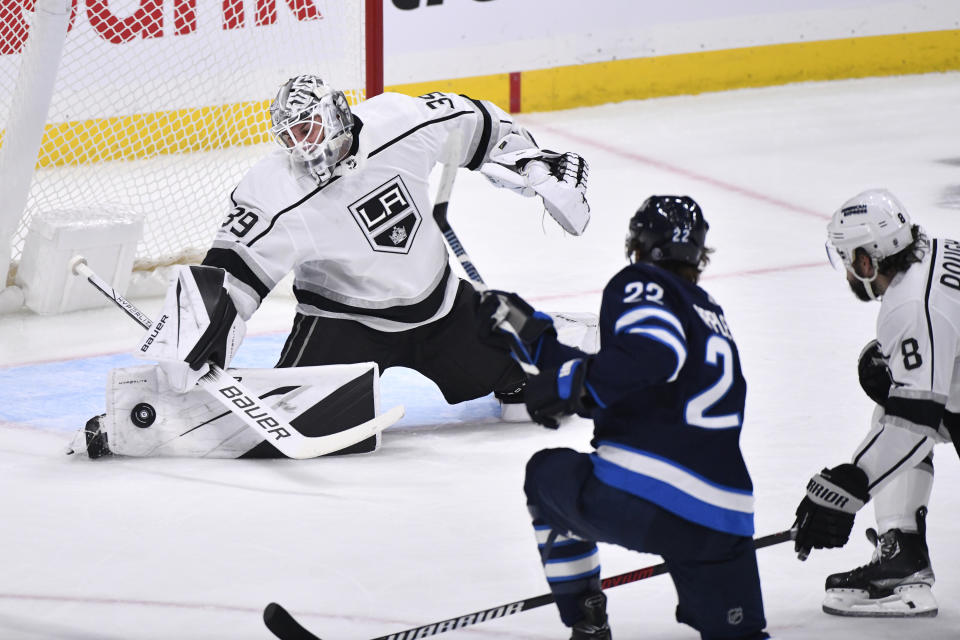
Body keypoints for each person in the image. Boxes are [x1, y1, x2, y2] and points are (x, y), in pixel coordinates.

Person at [71, 75, 591, 459]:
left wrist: (532, 164)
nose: (305, 144)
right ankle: (130, 420)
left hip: (442, 309)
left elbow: (479, 124)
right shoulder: (275, 188)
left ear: (338, 111)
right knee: (282, 423)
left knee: (544, 387)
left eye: (311, 125)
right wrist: (204, 326)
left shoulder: (400, 122)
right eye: (292, 135)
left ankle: (576, 335)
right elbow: (232, 276)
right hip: (343, 326)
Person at [478, 196, 769, 639]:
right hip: (725, 514)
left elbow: (654, 354)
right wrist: (534, 335)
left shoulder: (643, 282)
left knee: (546, 474)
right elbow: (629, 370)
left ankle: (587, 622)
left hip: (653, 494)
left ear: (642, 244)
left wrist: (567, 387)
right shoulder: (708, 311)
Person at [792, 188, 959, 617]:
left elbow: (915, 422)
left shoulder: (910, 305)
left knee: (903, 410)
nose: (848, 271)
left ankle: (902, 572)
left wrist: (848, 485)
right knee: (893, 387)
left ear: (867, 261)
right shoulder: (937, 252)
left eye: (848, 259)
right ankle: (902, 552)